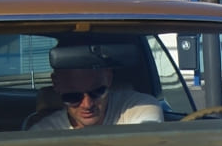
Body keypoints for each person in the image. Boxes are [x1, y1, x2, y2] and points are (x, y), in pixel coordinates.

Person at [28, 45, 163, 131]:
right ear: (57, 85)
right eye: (73, 96)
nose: (87, 105)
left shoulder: (139, 108)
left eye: (97, 92)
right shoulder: (43, 132)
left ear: (109, 78)